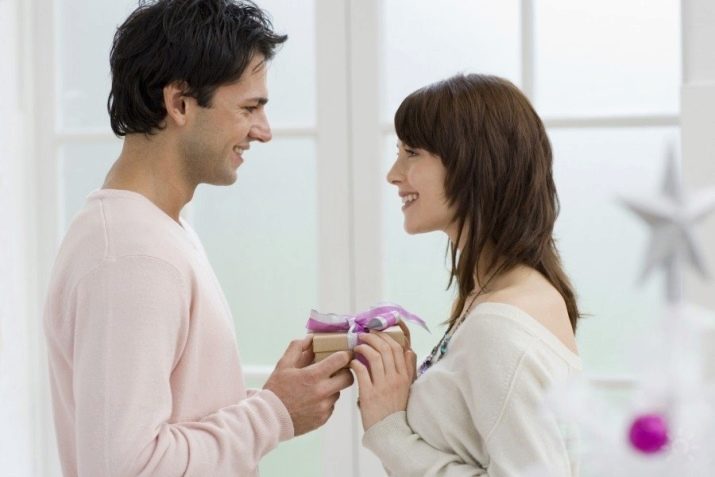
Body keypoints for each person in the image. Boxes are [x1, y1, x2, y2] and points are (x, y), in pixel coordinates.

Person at [43, 1, 353, 475]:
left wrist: (277, 399)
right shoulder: (132, 255)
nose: (264, 131)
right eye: (249, 107)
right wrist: (273, 413)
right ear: (180, 103)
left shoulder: (156, 233)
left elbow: (170, 424)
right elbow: (128, 468)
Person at [350, 74, 582, 476]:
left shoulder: (499, 325)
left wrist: (389, 431)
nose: (393, 173)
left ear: (472, 162)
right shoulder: (502, 294)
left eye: (411, 153)